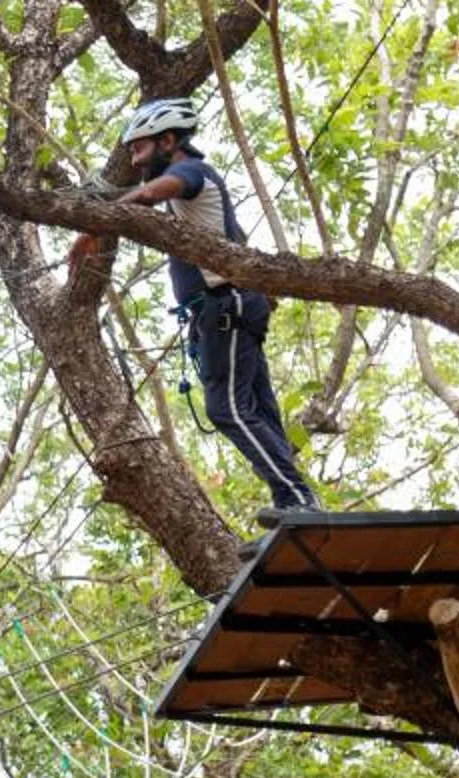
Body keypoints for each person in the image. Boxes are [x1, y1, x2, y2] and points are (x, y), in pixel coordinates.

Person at [81, 97, 319, 516]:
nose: (136, 162)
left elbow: (156, 191)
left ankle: (296, 498)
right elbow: (234, 235)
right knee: (260, 411)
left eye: (140, 149)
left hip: (227, 306)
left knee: (226, 408)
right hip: (234, 307)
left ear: (168, 140)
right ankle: (299, 501)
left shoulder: (189, 172)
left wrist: (95, 226)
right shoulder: (196, 194)